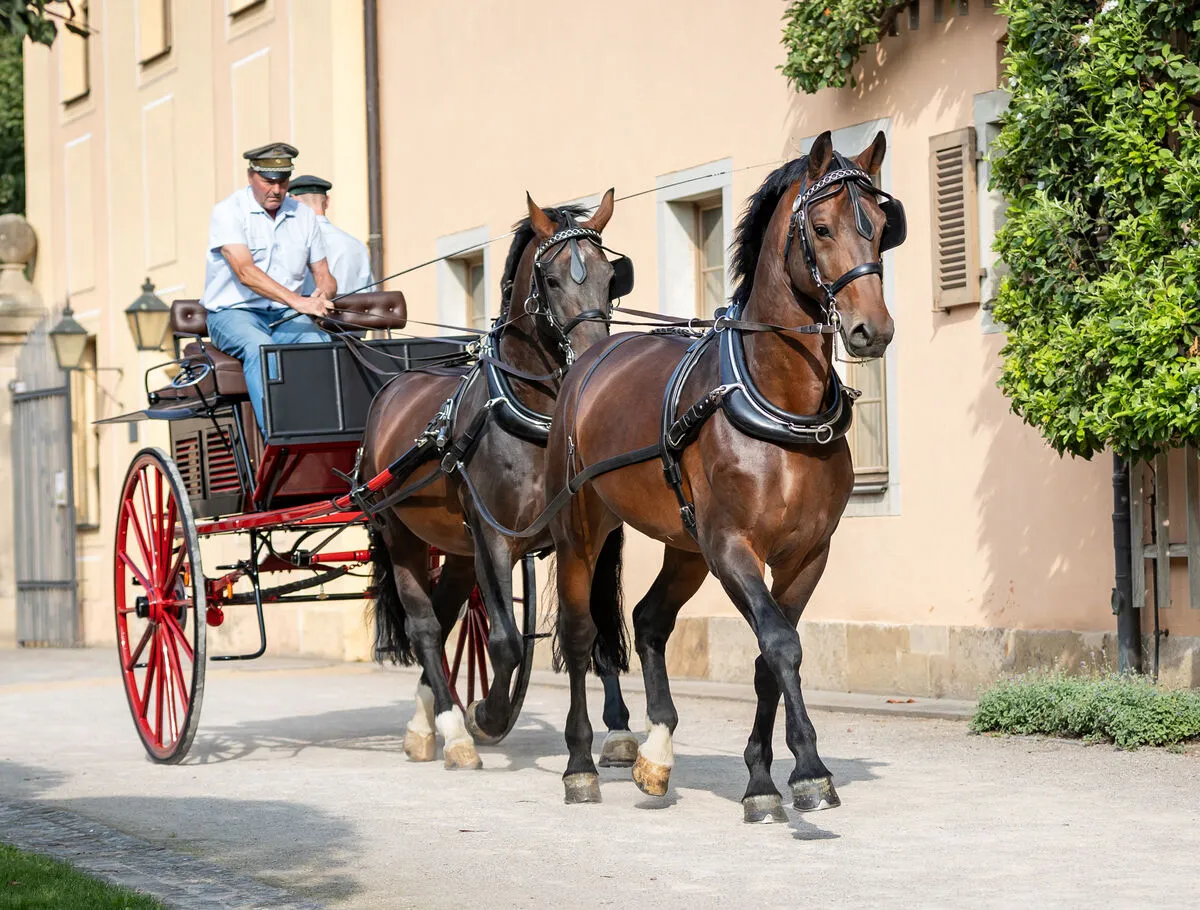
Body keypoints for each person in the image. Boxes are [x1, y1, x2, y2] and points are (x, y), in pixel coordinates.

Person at [200, 142, 336, 432]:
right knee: (261, 349)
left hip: (284, 316)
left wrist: (324, 293)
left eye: (283, 181)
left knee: (320, 345)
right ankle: (280, 436)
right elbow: (246, 272)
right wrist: (298, 302)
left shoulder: (303, 216)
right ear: (251, 177)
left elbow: (323, 274)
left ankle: (326, 433)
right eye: (268, 181)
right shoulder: (228, 212)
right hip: (233, 313)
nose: (276, 189)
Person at [287, 174, 376, 298]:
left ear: (293, 202)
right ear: (327, 202)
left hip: (307, 315)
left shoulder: (291, 242)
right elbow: (370, 293)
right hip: (351, 316)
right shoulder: (357, 245)